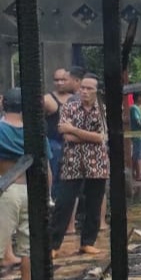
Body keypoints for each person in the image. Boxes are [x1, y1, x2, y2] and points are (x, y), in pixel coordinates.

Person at [51, 73, 110, 258]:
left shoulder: (101, 108)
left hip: (97, 162)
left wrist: (75, 130)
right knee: (64, 202)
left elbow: (100, 137)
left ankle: (87, 242)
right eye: (82, 87)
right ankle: (53, 244)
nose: (84, 91)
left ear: (96, 91)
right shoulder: (70, 106)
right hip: (72, 161)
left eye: (88, 88)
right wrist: (87, 136)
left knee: (94, 203)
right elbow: (63, 132)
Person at [0, 88, 43, 280]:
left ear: (2, 103)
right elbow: (47, 169)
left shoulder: (0, 129)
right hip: (30, 191)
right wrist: (47, 197)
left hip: (6, 190)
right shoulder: (35, 132)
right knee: (27, 247)